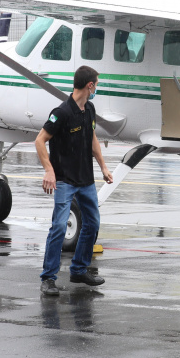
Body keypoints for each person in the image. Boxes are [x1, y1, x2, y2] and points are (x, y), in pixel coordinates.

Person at [36, 65, 113, 296]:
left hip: (86, 180)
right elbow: (40, 141)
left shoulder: (89, 109)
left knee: (93, 223)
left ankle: (79, 269)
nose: (96, 87)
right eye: (96, 84)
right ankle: (48, 278)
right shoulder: (61, 112)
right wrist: (49, 170)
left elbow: (92, 140)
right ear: (89, 85)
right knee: (59, 226)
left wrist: (103, 167)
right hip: (65, 181)